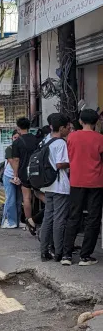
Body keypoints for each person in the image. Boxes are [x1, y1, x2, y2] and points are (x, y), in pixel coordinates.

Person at [63, 108, 103, 266]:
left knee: (73, 216)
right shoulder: (100, 138)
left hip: (76, 181)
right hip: (96, 182)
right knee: (93, 218)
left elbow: (69, 156)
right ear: (96, 122)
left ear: (80, 121)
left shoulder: (72, 136)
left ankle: (66, 255)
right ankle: (85, 256)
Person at [37, 113, 71, 263]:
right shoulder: (60, 143)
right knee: (59, 219)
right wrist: (72, 162)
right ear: (61, 128)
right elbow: (60, 164)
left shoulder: (45, 140)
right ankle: (59, 252)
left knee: (47, 218)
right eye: (67, 127)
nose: (68, 129)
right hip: (59, 185)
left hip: (47, 185)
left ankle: (44, 251)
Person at [9, 117, 41, 234]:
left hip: (24, 172)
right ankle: (51, 207)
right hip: (36, 171)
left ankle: (29, 222)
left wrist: (15, 174)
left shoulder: (17, 142)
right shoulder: (36, 139)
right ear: (29, 127)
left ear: (18, 128)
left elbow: (16, 160)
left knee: (26, 198)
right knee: (38, 193)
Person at [1, 145, 19, 228]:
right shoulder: (10, 149)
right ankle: (8, 221)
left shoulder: (22, 147)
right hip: (9, 176)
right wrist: (15, 176)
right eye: (14, 138)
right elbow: (12, 162)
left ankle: (17, 221)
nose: (16, 139)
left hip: (18, 177)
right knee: (10, 199)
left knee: (18, 200)